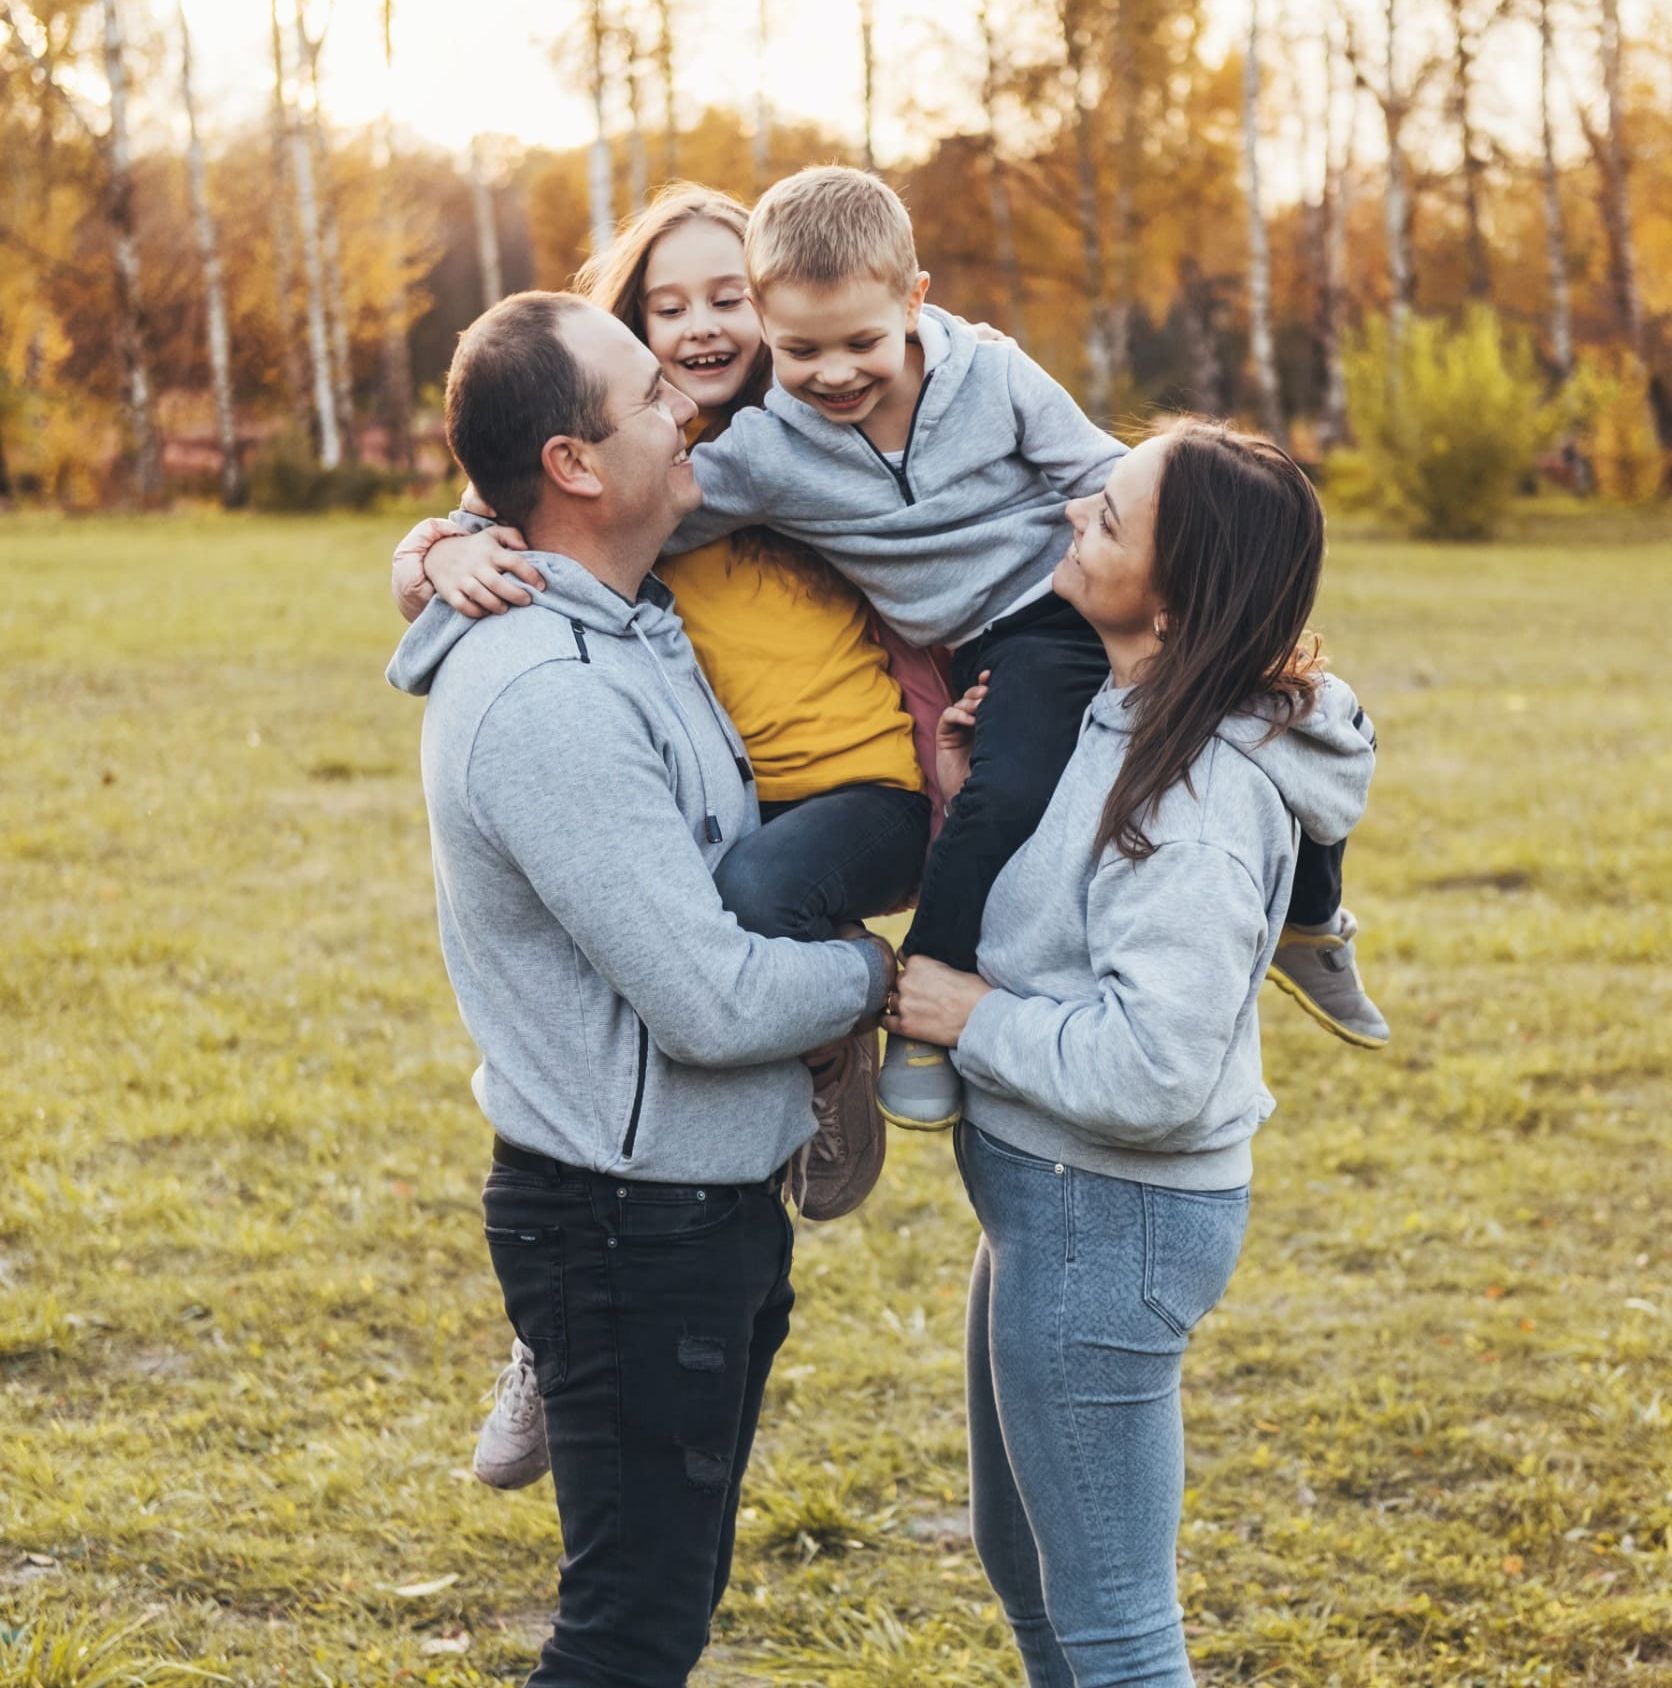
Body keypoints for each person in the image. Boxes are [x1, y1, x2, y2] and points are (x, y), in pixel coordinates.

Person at [414, 166, 1388, 1138]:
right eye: (800, 349)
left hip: (1066, 594)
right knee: (1020, 795)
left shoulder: (989, 374)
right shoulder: (759, 453)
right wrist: (447, 538)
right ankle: (932, 1010)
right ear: (767, 322)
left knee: (1290, 706)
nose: (834, 373)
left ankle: (1306, 917)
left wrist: (1197, 562)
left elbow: (1108, 475)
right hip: (978, 651)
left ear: (913, 300)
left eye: (860, 343)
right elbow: (582, 499)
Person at [394, 184, 941, 1494]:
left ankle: (828, 1055)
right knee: (672, 961)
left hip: (859, 786)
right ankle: (561, 1328)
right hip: (740, 809)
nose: (698, 333)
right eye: (663, 308)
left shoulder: (831, 427)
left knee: (741, 923)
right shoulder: (635, 484)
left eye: (728, 298)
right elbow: (521, 476)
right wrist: (440, 548)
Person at [885, 422, 1377, 1686]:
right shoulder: (1124, 712)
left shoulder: (1200, 804)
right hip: (1050, 1205)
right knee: (1033, 1567)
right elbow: (1066, 916)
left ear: (1175, 598)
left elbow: (1156, 1067)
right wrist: (968, 779)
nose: (1069, 522)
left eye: (1106, 519)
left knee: (1111, 1625)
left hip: (1109, 1216)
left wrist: (967, 1016)